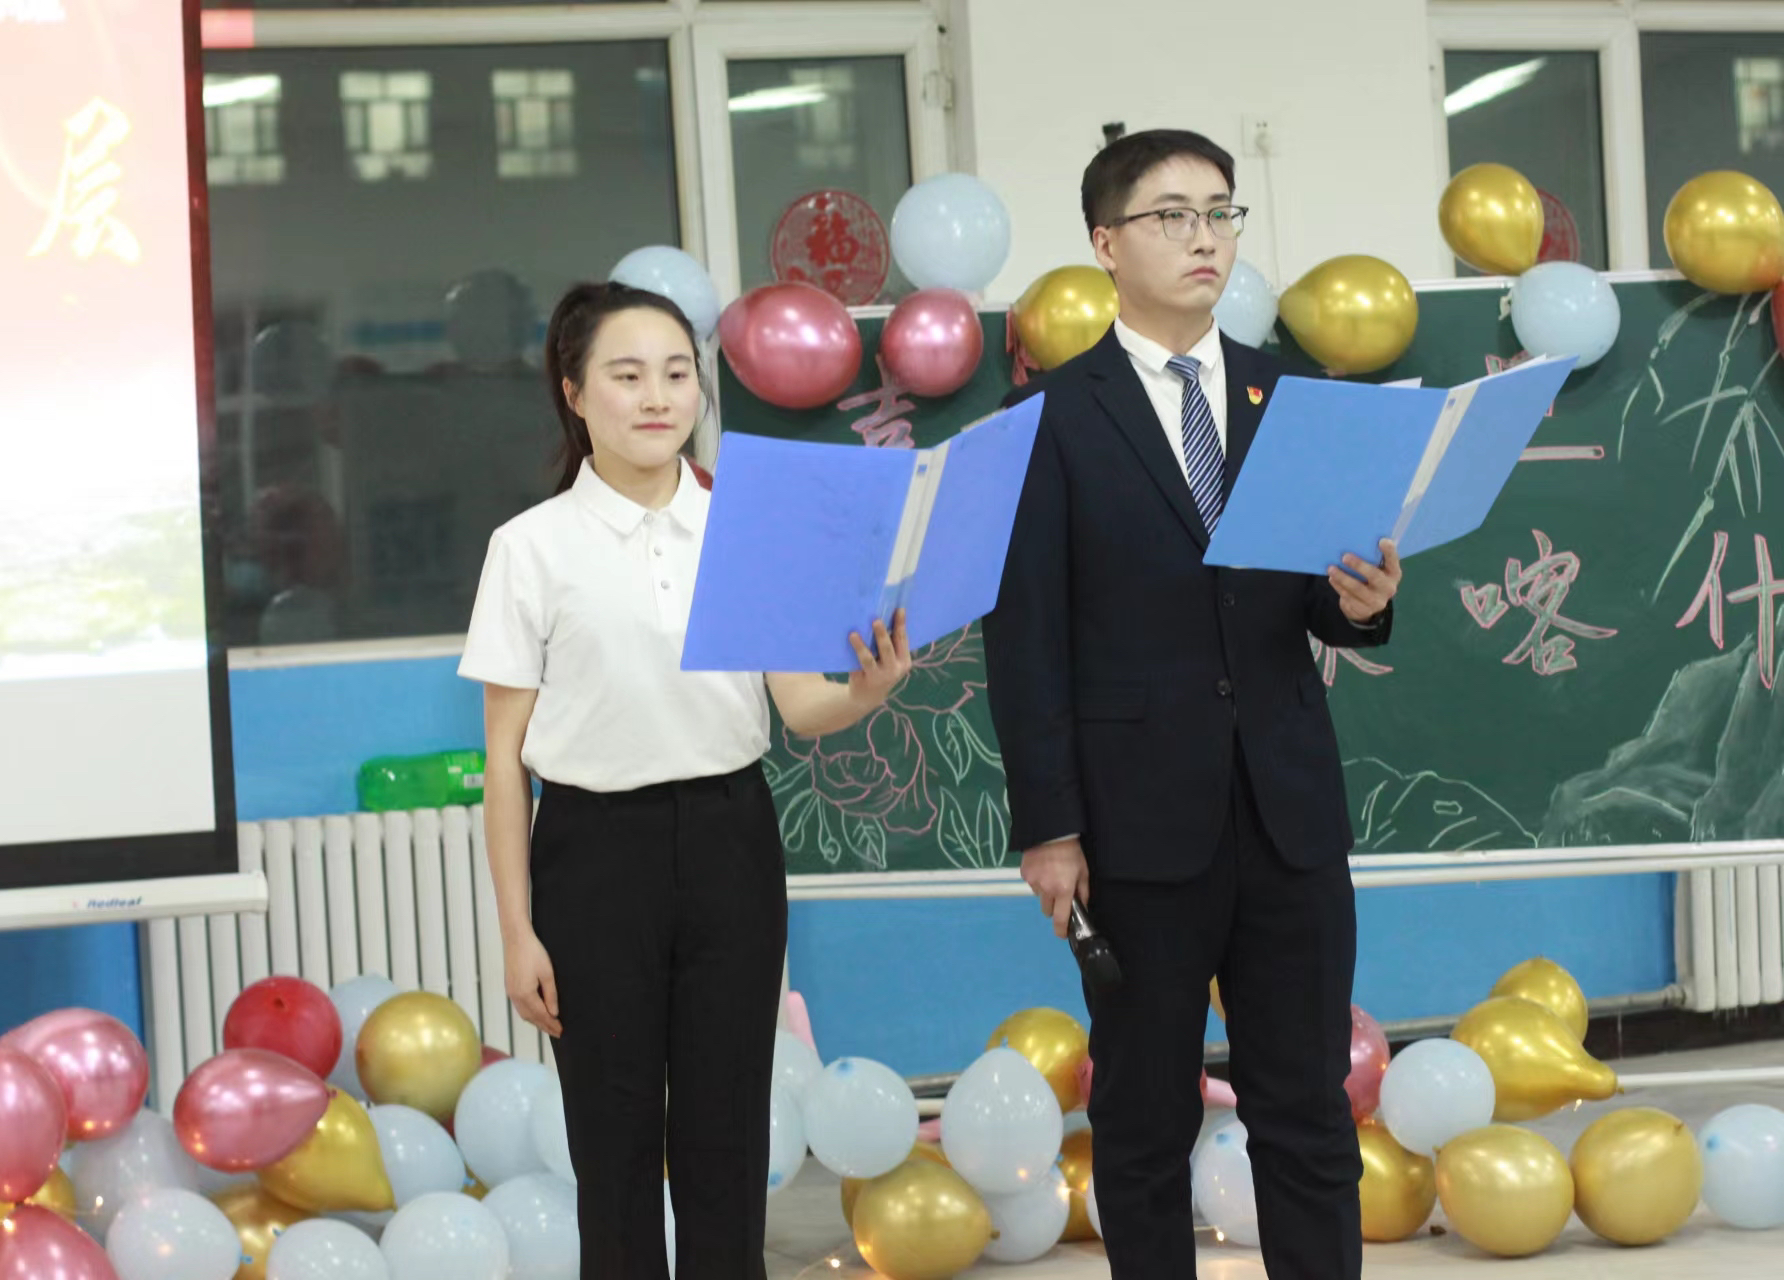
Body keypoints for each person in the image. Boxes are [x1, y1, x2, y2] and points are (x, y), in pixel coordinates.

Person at [982, 130, 1403, 1279]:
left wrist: (1359, 602)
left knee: (1307, 1107)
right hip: (1133, 827)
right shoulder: (1050, 418)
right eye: (1172, 214)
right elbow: (1026, 640)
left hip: (1287, 812)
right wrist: (1050, 827)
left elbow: (1316, 596)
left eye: (1220, 211)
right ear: (1105, 243)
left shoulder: (1295, 397)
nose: (1204, 235)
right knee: (1144, 1115)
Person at [458, 281, 912, 1279]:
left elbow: (800, 707)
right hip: (591, 853)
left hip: (729, 839)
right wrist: (517, 930)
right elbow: (503, 760)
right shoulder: (530, 548)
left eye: (676, 373)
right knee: (612, 1141)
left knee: (726, 1132)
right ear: (574, 393)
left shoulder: (745, 526)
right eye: (627, 375)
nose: (657, 396)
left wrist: (867, 691)